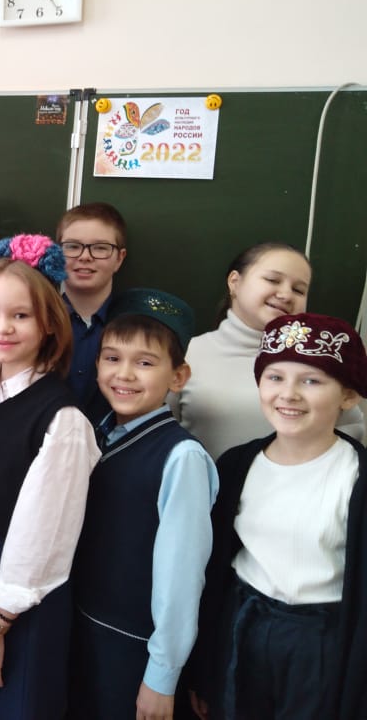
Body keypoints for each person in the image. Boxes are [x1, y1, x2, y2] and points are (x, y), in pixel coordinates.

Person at [0, 235, 99, 720]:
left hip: (19, 585)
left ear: (48, 322)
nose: (2, 328)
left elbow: (45, 533)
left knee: (8, 699)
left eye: (20, 315)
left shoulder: (62, 419)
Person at [190, 312, 367, 720]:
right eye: (275, 377)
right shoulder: (236, 465)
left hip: (319, 644)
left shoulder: (356, 479)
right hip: (241, 627)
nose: (289, 394)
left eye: (312, 381)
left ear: (348, 395)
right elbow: (213, 574)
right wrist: (204, 669)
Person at [68, 288, 218, 720]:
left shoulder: (182, 458)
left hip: (135, 649)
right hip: (82, 629)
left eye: (146, 363)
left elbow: (181, 578)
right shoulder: (92, 432)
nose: (125, 374)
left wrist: (161, 675)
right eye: (112, 358)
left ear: (178, 376)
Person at [172, 242, 363, 459]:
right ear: (234, 282)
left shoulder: (322, 356)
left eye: (299, 290)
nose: (286, 295)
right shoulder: (185, 354)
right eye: (272, 280)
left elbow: (351, 428)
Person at [56, 202, 128, 423]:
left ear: (119, 258)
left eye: (100, 248)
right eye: (72, 246)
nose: (85, 256)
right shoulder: (37, 323)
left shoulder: (136, 327)